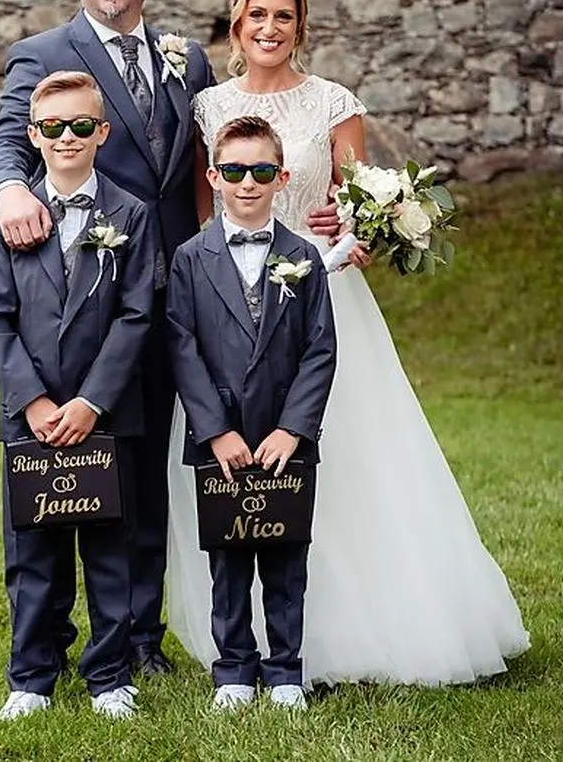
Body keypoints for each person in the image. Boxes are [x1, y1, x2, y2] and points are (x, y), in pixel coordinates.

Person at [167, 0, 530, 686]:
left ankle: (358, 633)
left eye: (285, 16)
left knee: (347, 471)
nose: (270, 27)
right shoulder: (208, 109)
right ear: (237, 22)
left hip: (321, 297)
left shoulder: (334, 101)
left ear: (301, 26)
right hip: (229, 312)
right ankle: (244, 644)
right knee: (239, 468)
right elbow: (204, 223)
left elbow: (353, 202)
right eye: (258, 14)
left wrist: (356, 233)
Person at [0, 0, 220, 676]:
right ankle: (45, 641)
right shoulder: (42, 54)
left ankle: (139, 640)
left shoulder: (191, 59)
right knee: (70, 471)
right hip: (85, 295)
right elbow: (6, 140)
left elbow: (218, 162)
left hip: (172, 297)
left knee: (146, 472)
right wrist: (11, 188)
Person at [0, 71, 155, 719]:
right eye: (53, 127)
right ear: (34, 135)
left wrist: (91, 402)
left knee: (110, 552)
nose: (67, 137)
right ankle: (31, 676)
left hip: (104, 416)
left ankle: (110, 675)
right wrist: (32, 401)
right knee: (33, 557)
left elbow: (137, 316)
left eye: (81, 125)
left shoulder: (131, 215)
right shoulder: (14, 217)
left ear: (101, 131)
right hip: (31, 419)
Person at [167, 116, 336, 710]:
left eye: (261, 171)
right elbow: (181, 345)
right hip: (223, 442)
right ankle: (234, 668)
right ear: (214, 175)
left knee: (287, 557)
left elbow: (321, 349)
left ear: (281, 177)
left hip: (285, 438)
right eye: (233, 171)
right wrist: (215, 432)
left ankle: (286, 668)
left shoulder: (304, 258)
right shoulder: (190, 258)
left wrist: (294, 428)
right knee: (229, 557)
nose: (247, 183)